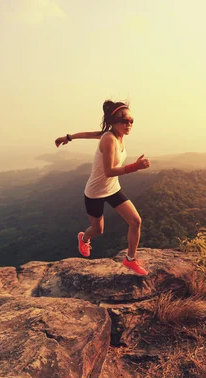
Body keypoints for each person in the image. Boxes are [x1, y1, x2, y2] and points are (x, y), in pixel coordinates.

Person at [54, 100, 150, 275]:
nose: (128, 123)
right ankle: (83, 238)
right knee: (98, 230)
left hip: (112, 189)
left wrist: (67, 137)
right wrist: (135, 167)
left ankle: (130, 260)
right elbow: (109, 171)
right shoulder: (109, 139)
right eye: (123, 120)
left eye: (131, 120)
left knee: (136, 221)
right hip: (95, 193)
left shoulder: (115, 135)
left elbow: (88, 134)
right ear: (113, 121)